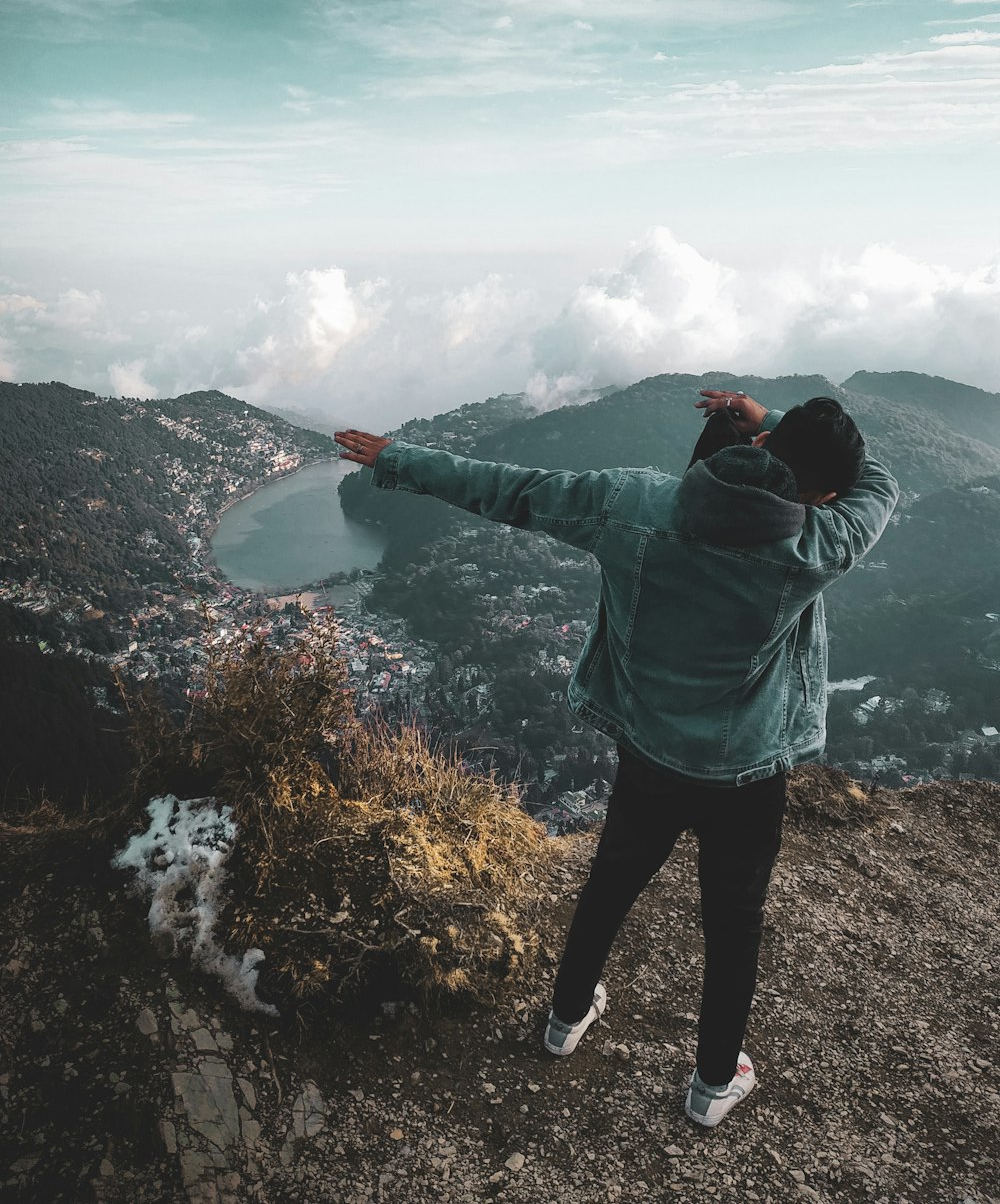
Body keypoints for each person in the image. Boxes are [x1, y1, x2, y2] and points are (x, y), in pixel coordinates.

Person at [334, 387, 899, 1128]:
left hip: (651, 752)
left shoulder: (635, 502)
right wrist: (776, 425)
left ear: (758, 454)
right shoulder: (819, 542)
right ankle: (711, 1083)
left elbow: (514, 490)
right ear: (821, 492)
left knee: (610, 883)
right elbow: (880, 482)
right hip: (747, 770)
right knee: (733, 926)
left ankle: (565, 1020)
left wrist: (401, 458)